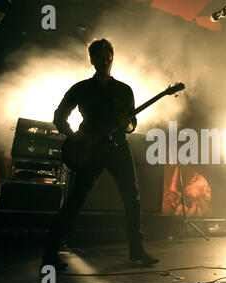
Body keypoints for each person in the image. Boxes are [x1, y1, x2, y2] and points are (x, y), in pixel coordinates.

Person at [42, 39, 159, 269]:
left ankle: (137, 251)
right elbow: (59, 116)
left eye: (108, 57)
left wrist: (127, 125)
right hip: (89, 149)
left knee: (131, 199)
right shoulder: (81, 88)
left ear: (112, 58)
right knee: (76, 199)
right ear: (92, 60)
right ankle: (51, 252)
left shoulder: (123, 90)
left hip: (117, 148)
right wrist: (74, 137)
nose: (105, 61)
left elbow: (131, 125)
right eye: (100, 57)